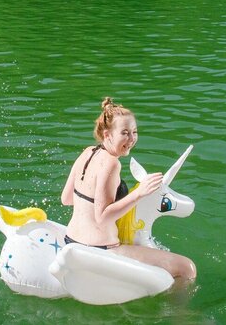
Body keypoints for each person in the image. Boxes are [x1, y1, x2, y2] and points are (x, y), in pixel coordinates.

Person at [59, 98, 195, 280]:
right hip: (100, 249)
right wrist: (139, 193)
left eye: (134, 132)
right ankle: (174, 301)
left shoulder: (88, 152)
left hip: (71, 240)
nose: (131, 139)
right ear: (107, 135)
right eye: (124, 133)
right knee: (187, 269)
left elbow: (66, 199)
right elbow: (102, 218)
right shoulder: (111, 163)